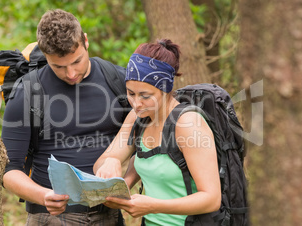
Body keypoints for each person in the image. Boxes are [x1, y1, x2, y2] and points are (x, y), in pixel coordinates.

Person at [2, 9, 127, 225]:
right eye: (58, 66)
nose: (70, 73)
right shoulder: (27, 91)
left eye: (76, 61)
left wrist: (124, 182)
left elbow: (144, 138)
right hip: (51, 217)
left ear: (85, 41)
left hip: (110, 214)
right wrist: (43, 196)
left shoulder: (116, 79)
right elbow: (9, 170)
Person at [94, 39, 221, 225]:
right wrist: (113, 164)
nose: (136, 103)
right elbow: (100, 164)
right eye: (130, 93)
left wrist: (154, 206)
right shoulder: (137, 117)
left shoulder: (188, 124)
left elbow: (211, 199)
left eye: (146, 96)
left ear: (166, 89)